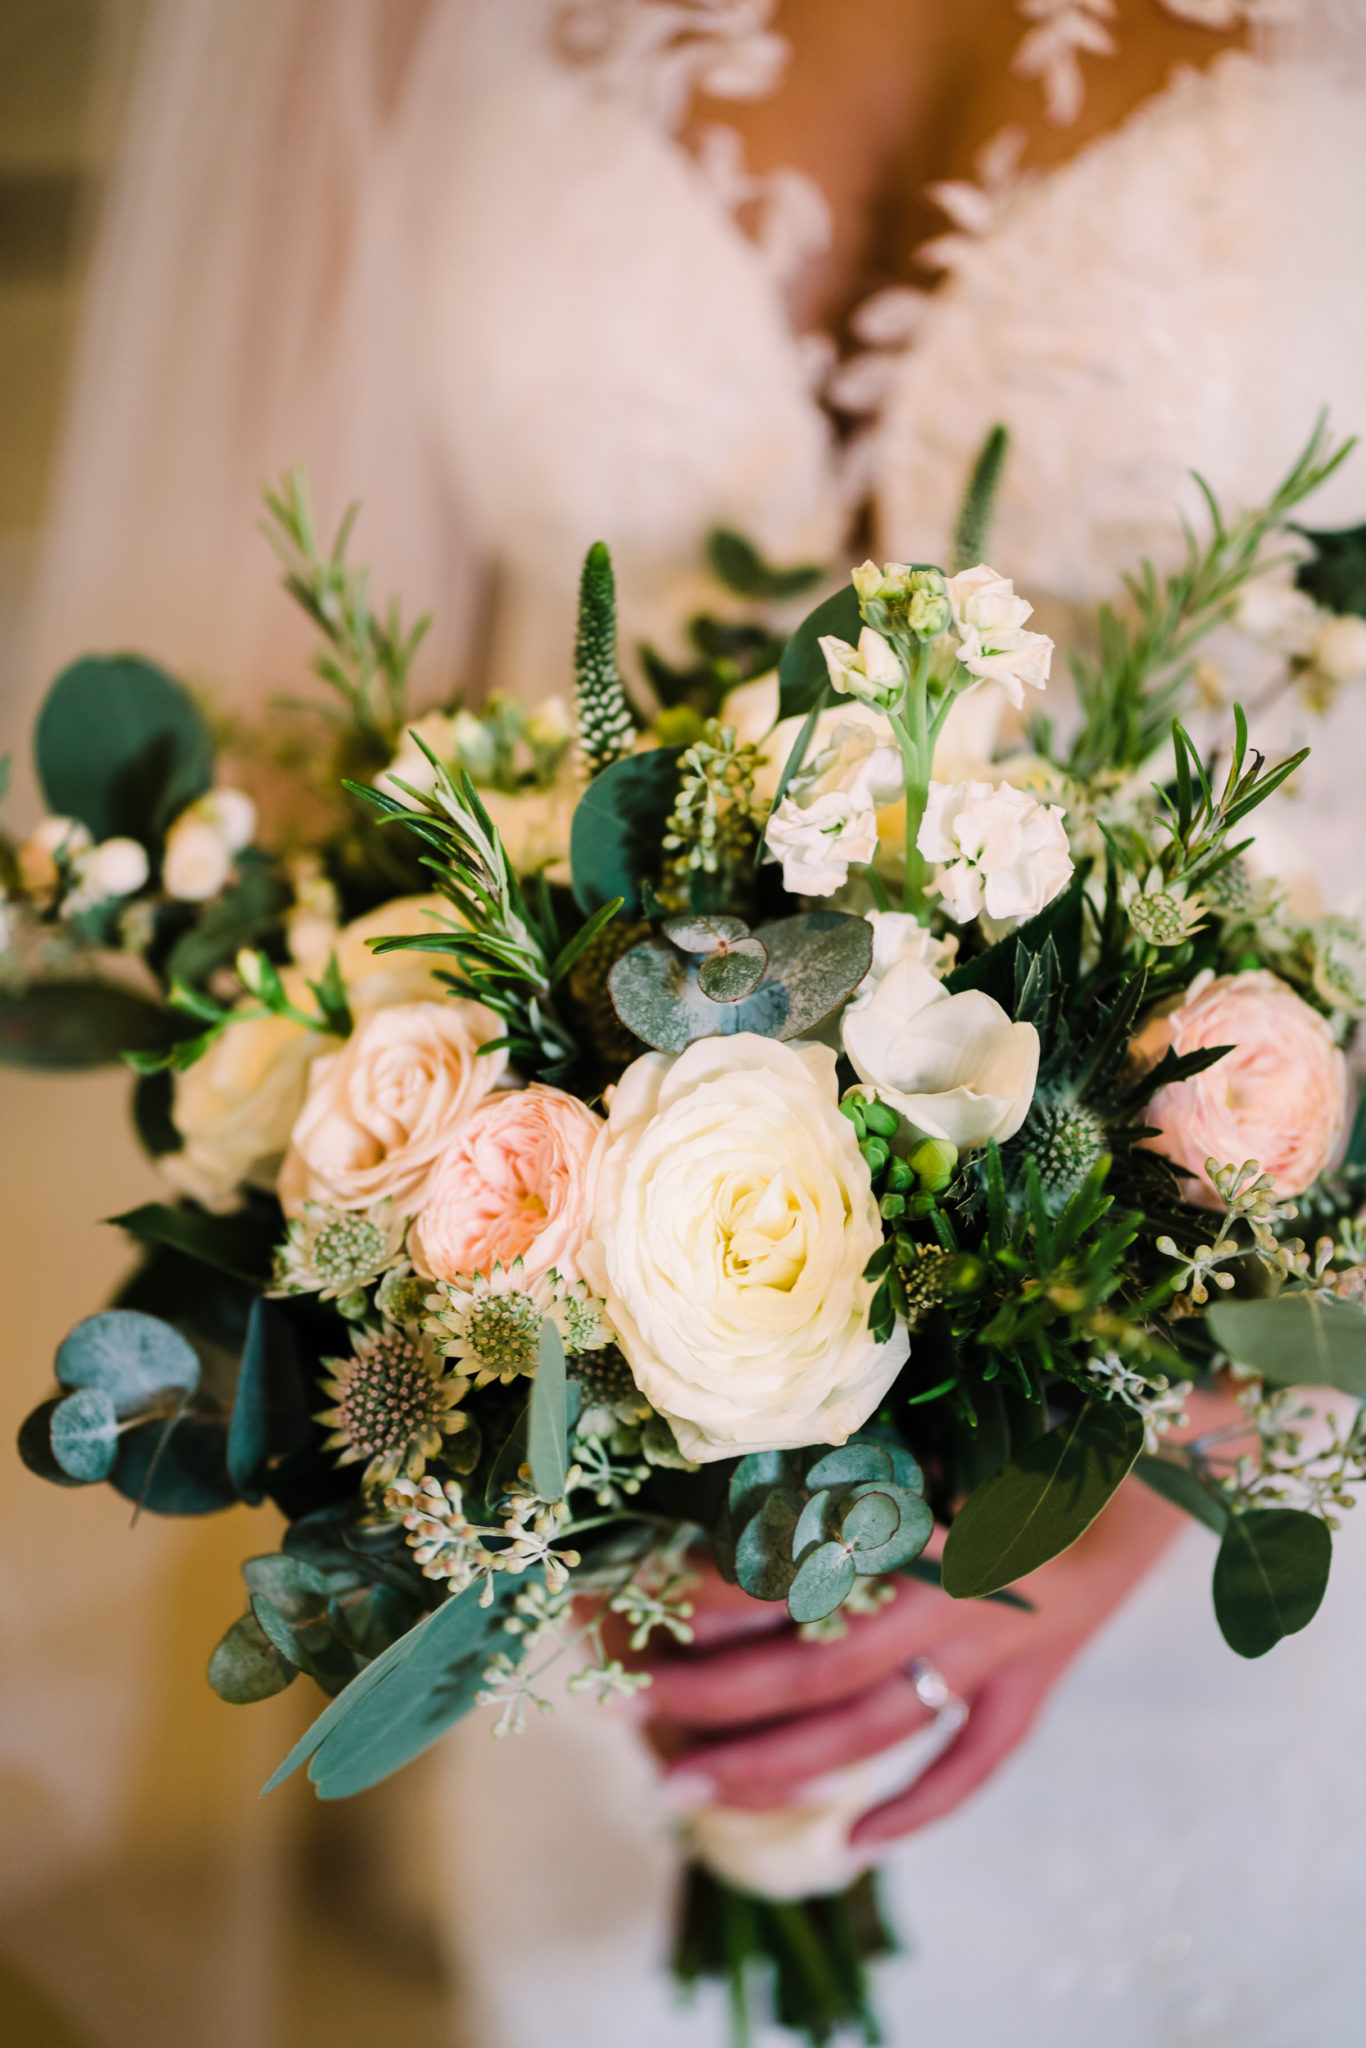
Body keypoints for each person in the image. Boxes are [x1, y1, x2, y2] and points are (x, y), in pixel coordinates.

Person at [15, 2, 1366, 2043]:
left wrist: (1158, 1467)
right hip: (594, 1419)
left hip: (1247, 1441)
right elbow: (298, 694)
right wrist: (479, 1350)